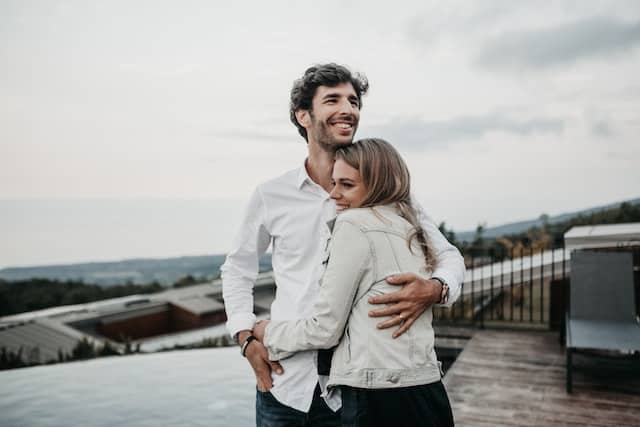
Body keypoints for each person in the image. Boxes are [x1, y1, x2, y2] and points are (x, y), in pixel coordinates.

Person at [221, 64, 465, 427]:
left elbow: (447, 254)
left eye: (353, 101)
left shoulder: (389, 194)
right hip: (284, 382)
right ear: (303, 115)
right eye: (333, 99)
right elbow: (237, 270)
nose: (348, 109)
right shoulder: (270, 195)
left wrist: (436, 288)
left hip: (356, 393)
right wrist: (245, 338)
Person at [253, 138, 455, 427]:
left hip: (377, 398)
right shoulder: (411, 227)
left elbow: (325, 329)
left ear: (378, 184)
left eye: (347, 185)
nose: (333, 194)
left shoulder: (353, 224)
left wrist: (267, 333)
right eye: (334, 183)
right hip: (427, 390)